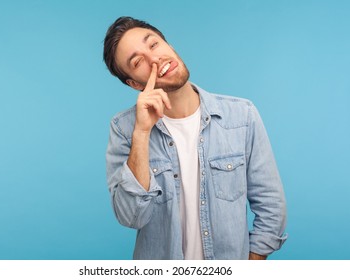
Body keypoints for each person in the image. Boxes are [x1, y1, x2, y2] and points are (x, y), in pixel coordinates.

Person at [104, 16, 287, 260]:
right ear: (134, 84)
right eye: (138, 62)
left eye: (154, 44)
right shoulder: (124, 129)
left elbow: (271, 206)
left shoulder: (242, 116)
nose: (155, 59)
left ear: (169, 45)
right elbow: (131, 216)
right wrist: (142, 132)